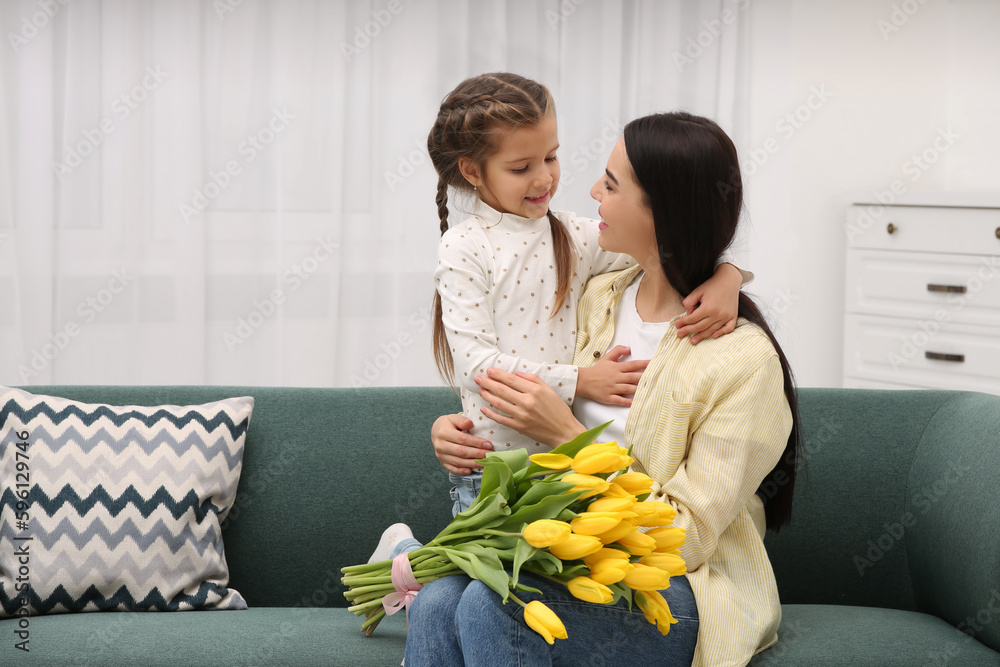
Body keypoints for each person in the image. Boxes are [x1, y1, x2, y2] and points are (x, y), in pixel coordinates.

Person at [408, 111, 801, 667]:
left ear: (661, 210)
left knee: (490, 609)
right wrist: (456, 429)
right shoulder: (598, 295)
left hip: (677, 587)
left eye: (611, 185)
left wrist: (569, 436)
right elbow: (515, 359)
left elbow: (685, 540)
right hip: (572, 555)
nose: (590, 191)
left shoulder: (742, 361)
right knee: (436, 602)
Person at [368, 73, 752, 562]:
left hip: (562, 471)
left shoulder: (573, 235)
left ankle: (407, 561)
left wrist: (728, 275)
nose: (545, 177)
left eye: (551, 157)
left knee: (516, 584)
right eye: (521, 166)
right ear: (472, 170)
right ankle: (405, 559)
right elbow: (476, 366)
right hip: (493, 465)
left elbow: (659, 250)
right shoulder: (464, 247)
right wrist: (581, 382)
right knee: (488, 580)